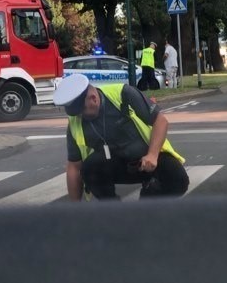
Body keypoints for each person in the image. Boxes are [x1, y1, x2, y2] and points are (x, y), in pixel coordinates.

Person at [54, 73, 189, 201]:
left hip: (147, 159)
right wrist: (74, 210)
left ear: (94, 99)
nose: (80, 116)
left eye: (82, 111)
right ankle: (112, 210)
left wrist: (152, 155)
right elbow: (74, 167)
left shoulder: (123, 93)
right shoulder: (75, 121)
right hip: (114, 164)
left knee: (178, 180)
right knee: (89, 168)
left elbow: (160, 121)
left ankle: (149, 197)